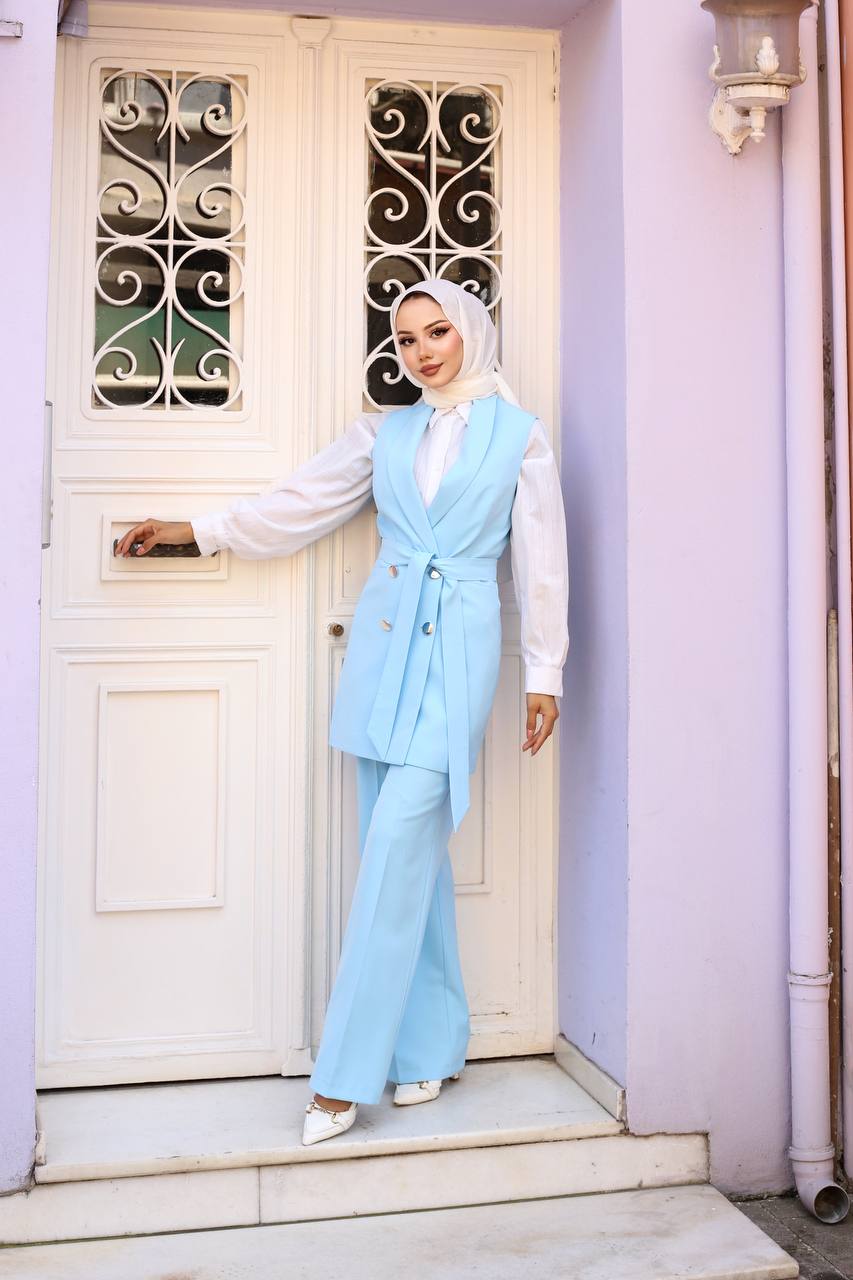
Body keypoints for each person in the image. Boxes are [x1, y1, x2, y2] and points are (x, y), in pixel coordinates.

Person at [115, 278, 570, 1147]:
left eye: (437, 331)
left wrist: (544, 670)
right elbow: (298, 504)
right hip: (381, 648)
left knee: (398, 847)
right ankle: (431, 1045)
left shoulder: (521, 438)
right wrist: (196, 529)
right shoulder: (384, 432)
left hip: (458, 653)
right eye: (405, 340)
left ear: (470, 331)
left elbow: (541, 559)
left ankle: (341, 1077)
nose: (423, 351)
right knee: (407, 858)